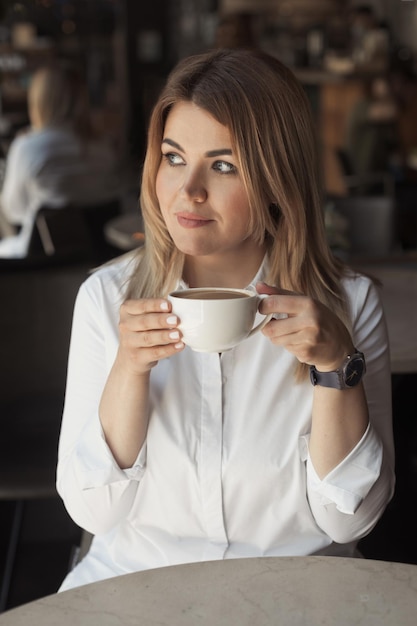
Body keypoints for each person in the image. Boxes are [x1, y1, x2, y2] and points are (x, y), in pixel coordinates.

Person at [57, 48, 395, 591]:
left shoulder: (347, 306)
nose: (188, 191)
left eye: (222, 165)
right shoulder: (107, 297)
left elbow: (348, 520)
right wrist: (130, 369)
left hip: (297, 591)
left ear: (275, 178)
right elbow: (93, 514)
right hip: (138, 585)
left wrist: (336, 367)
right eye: (173, 157)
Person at [0, 64, 120, 258]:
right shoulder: (103, 146)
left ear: (38, 100)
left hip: (41, 260)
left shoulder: (27, 147)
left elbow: (13, 210)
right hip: (100, 255)